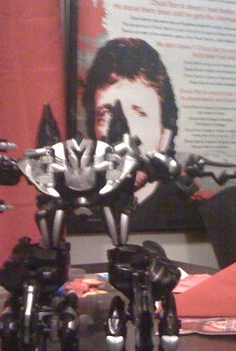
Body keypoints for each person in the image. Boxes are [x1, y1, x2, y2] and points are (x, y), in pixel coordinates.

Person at [81, 37, 200, 230]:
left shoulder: (188, 214)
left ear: (164, 135)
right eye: (105, 114)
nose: (124, 136)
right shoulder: (80, 213)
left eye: (139, 114)